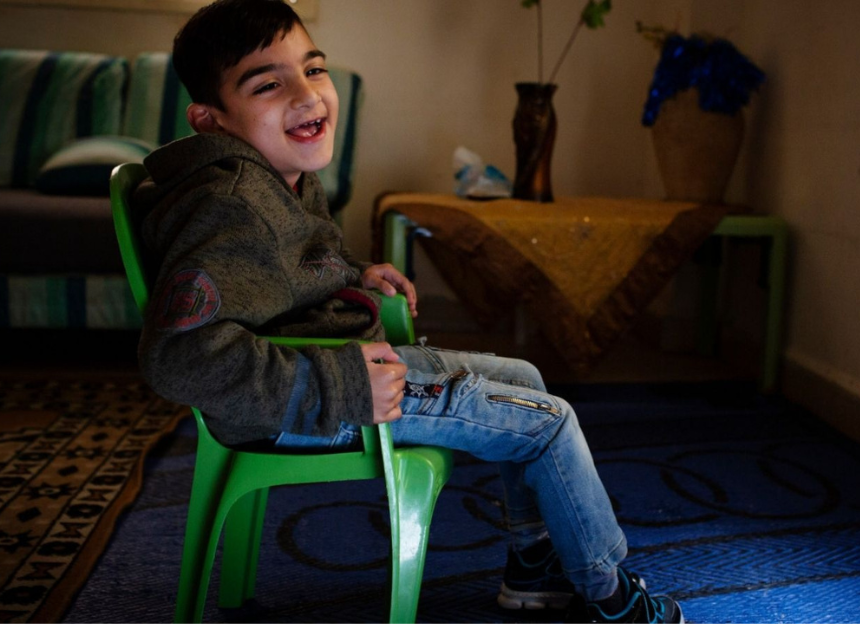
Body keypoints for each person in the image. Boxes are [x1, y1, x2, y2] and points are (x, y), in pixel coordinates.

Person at [136, 1, 682, 622]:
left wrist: (352, 275)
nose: (306, 95)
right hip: (313, 399)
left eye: (312, 70)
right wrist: (341, 386)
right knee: (549, 421)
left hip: (329, 368)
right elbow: (177, 357)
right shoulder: (230, 207)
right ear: (211, 120)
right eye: (268, 84)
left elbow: (286, 273)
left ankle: (533, 565)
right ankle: (609, 596)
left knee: (525, 377)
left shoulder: (274, 175)